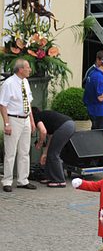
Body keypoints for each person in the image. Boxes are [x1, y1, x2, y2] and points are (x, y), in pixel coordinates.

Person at [0, 59, 36, 192]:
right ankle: (7, 180)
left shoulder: (25, 81)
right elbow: (3, 104)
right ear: (20, 69)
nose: (30, 70)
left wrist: (31, 121)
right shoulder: (9, 83)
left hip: (25, 118)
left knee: (24, 151)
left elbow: (28, 102)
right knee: (10, 152)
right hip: (13, 119)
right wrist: (7, 123)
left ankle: (23, 179)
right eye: (27, 67)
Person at [32, 107, 75, 187]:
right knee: (50, 153)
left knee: (54, 154)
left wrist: (40, 143)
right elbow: (51, 138)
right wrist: (45, 153)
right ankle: (50, 177)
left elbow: (43, 131)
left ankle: (60, 180)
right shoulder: (46, 117)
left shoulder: (35, 116)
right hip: (70, 125)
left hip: (65, 127)